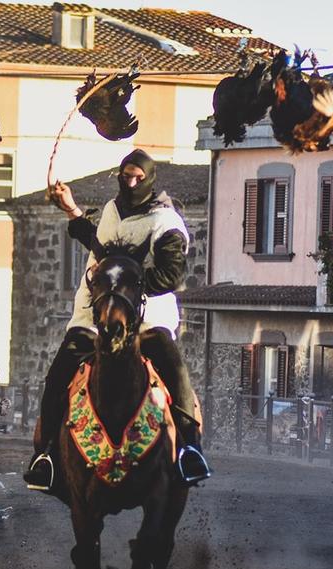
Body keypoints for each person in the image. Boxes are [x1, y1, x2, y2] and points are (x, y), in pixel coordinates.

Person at [24, 149, 210, 491]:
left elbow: (172, 274)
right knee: (57, 378)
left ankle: (190, 448)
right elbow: (99, 246)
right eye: (126, 177)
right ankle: (46, 454)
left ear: (150, 179)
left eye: (139, 178)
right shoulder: (111, 209)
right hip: (93, 315)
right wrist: (71, 209)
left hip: (147, 318)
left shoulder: (166, 222)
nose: (132, 183)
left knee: (175, 370)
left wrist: (124, 287)